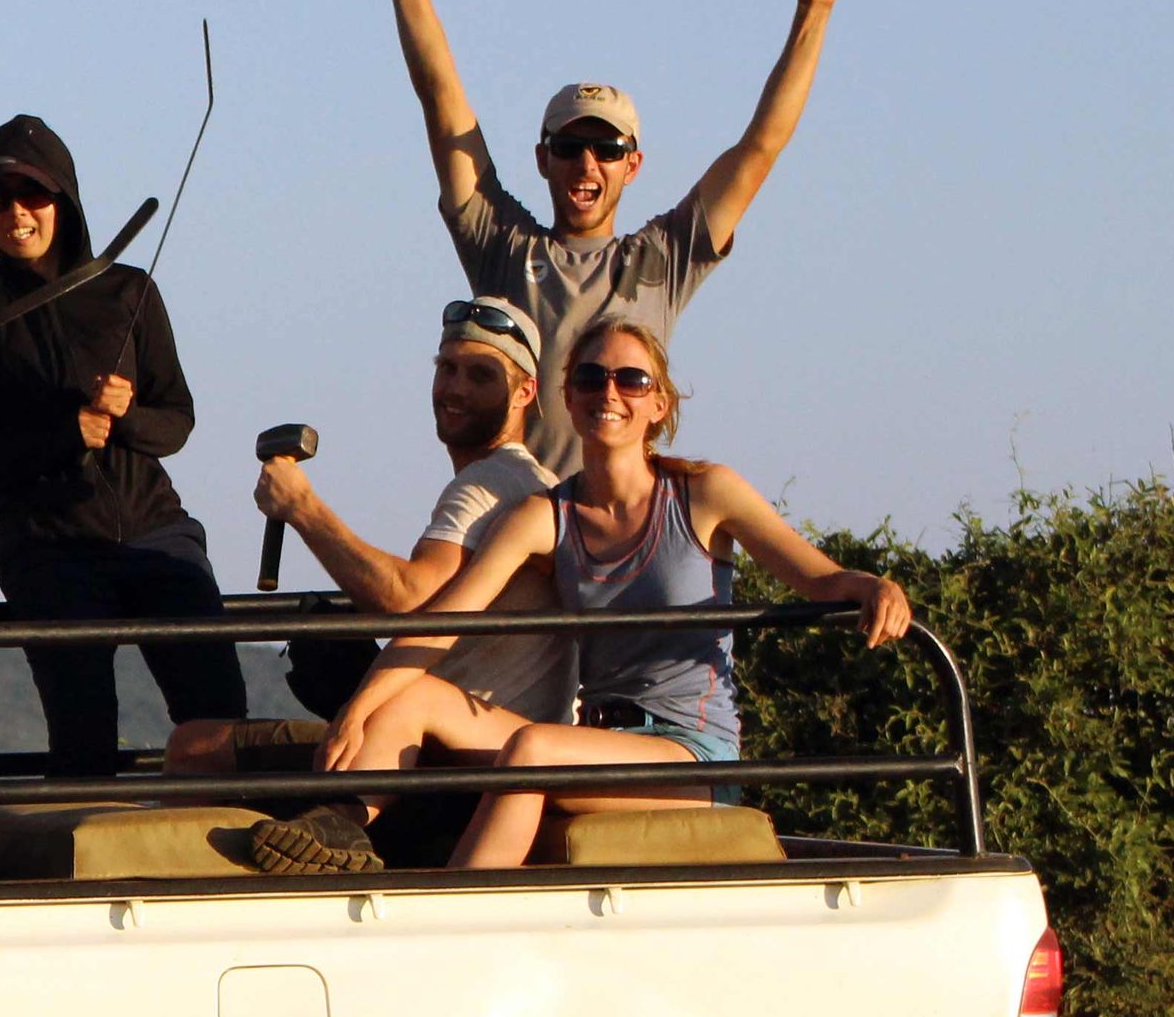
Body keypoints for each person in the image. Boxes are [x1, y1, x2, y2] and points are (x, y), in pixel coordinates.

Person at [261, 317, 909, 873]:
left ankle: (448, 914)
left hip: (686, 758)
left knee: (534, 750)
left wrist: (874, 588)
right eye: (592, 378)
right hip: (593, 741)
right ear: (567, 399)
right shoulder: (547, 515)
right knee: (415, 695)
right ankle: (333, 831)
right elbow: (444, 620)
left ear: (659, 405)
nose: (610, 392)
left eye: (632, 380)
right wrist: (360, 709)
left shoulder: (703, 493)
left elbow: (817, 577)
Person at [382, 0, 845, 471]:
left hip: (618, 532)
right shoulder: (503, 247)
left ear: (633, 165)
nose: (587, 163)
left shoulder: (664, 258)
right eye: (570, 147)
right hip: (515, 525)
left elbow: (761, 147)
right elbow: (443, 105)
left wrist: (814, 14)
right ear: (543, 159)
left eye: (607, 149)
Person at [164, 295, 572, 809]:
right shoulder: (524, 481)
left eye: (480, 376)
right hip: (458, 742)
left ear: (525, 393)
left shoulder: (491, 483)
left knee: (191, 749)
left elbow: (408, 600)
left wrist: (304, 508)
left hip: (440, 754)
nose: (455, 388)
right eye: (446, 368)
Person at [0, 116, 245, 778]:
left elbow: (178, 421)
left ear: (63, 199)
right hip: (46, 551)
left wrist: (127, 418)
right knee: (82, 740)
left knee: (220, 720)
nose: (15, 212)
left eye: (31, 193)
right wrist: (65, 434)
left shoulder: (130, 290)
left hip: (158, 534)